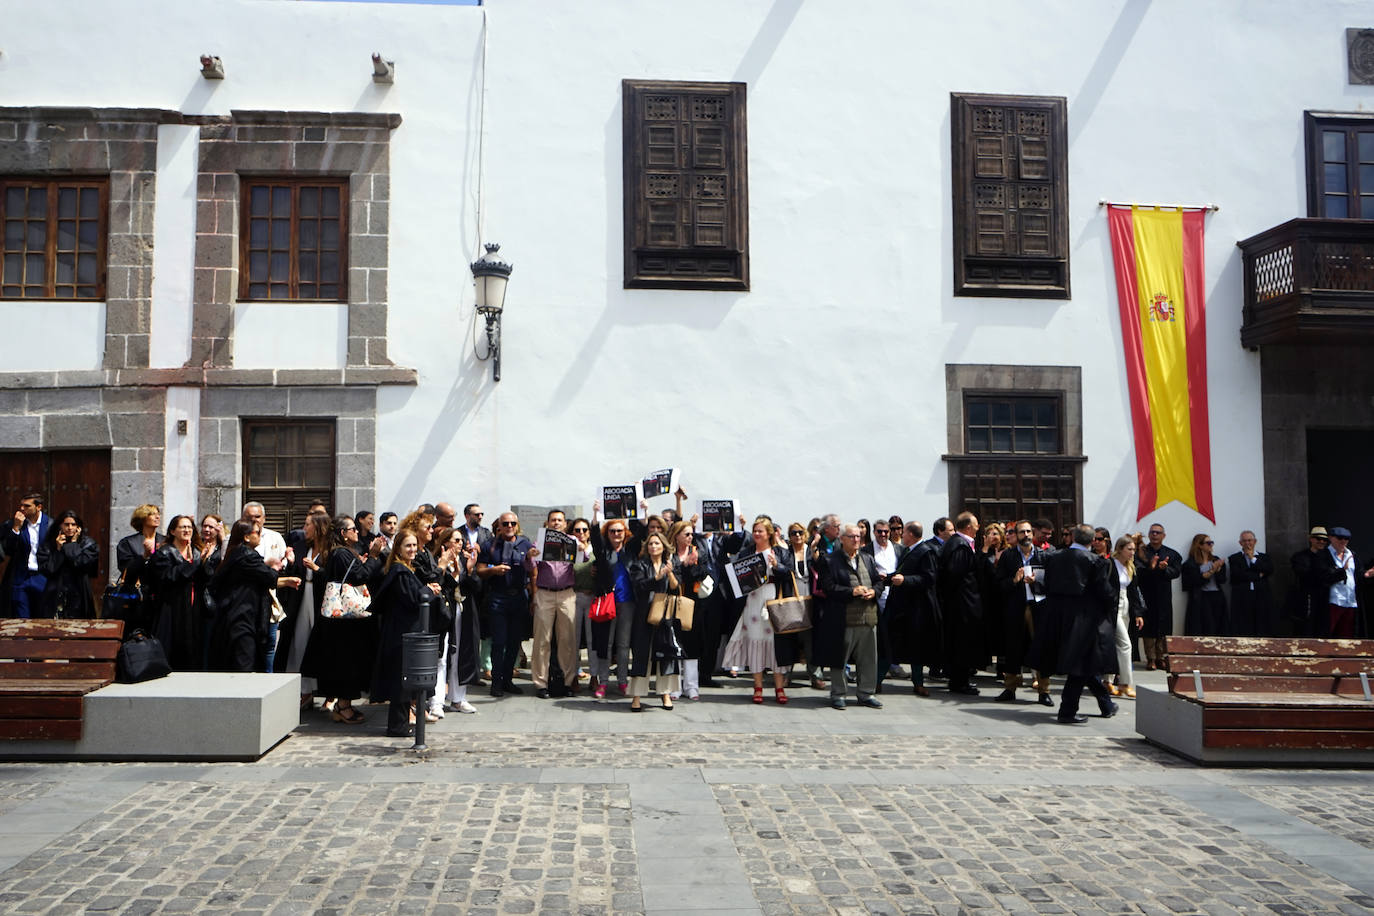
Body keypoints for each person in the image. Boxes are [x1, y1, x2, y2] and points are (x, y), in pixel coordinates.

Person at [299, 515, 387, 724]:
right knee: (346, 664)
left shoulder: (343, 553)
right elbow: (358, 577)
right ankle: (343, 705)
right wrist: (373, 557)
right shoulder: (340, 554)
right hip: (343, 623)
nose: (357, 531)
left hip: (346, 622)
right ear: (343, 534)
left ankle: (343, 704)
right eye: (352, 529)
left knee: (349, 664)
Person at [1035, 524, 1117, 724]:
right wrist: (1111, 603)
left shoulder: (1054, 557)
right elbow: (1104, 592)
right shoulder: (1096, 562)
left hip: (1057, 618)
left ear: (1072, 537)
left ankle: (1106, 703)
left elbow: (1044, 584)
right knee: (1081, 665)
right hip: (1084, 620)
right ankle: (1067, 711)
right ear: (1092, 541)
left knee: (1083, 663)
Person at [209, 520, 300, 672]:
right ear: (246, 537)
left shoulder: (236, 552)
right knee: (244, 664)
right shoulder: (246, 555)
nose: (260, 536)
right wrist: (273, 568)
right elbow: (269, 576)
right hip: (242, 616)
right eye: (257, 533)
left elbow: (264, 577)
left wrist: (284, 579)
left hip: (235, 615)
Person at [721, 519, 792, 705]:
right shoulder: (747, 552)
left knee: (775, 644)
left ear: (769, 533)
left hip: (772, 599)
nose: (757, 534)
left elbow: (788, 573)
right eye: (755, 531)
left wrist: (777, 565)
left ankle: (779, 687)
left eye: (760, 531)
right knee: (755, 641)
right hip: (752, 599)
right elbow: (737, 575)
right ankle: (758, 686)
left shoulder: (781, 552)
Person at [368, 531, 430, 737]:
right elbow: (413, 600)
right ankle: (398, 726)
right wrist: (429, 591)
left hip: (403, 631)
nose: (412, 550)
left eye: (414, 545)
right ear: (398, 549)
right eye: (407, 546)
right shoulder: (400, 572)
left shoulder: (404, 569)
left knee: (403, 679)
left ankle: (401, 724)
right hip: (400, 633)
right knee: (400, 680)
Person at [815, 523, 882, 710]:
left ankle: (866, 693)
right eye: (852, 537)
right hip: (843, 619)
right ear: (842, 539)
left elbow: (878, 582)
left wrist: (874, 592)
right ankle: (838, 694)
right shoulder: (830, 561)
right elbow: (827, 587)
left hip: (868, 618)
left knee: (869, 660)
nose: (856, 540)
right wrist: (851, 592)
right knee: (839, 659)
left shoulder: (867, 558)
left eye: (858, 537)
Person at [992, 520, 1050, 705]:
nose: (1025, 535)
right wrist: (1014, 580)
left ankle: (1044, 690)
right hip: (1016, 608)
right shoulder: (1008, 557)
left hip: (1037, 607)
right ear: (1016, 535)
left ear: (1032, 534)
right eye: (1021, 532)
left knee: (1041, 648)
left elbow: (1052, 582)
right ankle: (1010, 687)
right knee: (1013, 647)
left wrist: (1037, 582)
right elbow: (998, 585)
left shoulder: (1043, 555)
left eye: (1028, 532)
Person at [476, 512, 533, 697]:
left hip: (519, 597)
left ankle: (508, 680)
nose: (509, 526)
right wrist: (494, 570)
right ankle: (497, 681)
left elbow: (533, 571)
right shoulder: (490, 545)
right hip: (498, 597)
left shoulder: (525, 543)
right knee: (498, 642)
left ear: (517, 525)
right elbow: (480, 570)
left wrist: (531, 560)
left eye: (512, 523)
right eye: (505, 523)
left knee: (514, 641)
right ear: (499, 526)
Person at [524, 509, 579, 699]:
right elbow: (530, 568)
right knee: (542, 640)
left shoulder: (573, 542)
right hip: (545, 593)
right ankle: (541, 683)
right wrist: (530, 556)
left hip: (566, 593)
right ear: (547, 523)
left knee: (567, 640)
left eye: (560, 520)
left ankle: (567, 682)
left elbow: (584, 560)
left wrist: (580, 550)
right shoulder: (538, 543)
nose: (556, 523)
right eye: (553, 520)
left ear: (565, 524)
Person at [627, 531, 684, 711]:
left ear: (664, 546)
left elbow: (676, 588)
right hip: (645, 613)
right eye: (651, 544)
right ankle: (636, 696)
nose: (653, 547)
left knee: (666, 652)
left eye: (657, 544)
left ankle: (665, 694)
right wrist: (657, 577)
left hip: (665, 612)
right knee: (642, 653)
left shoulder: (672, 563)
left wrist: (670, 574)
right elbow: (639, 586)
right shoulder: (639, 564)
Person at [280, 511, 332, 706]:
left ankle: (328, 692)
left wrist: (317, 569)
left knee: (322, 644)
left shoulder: (331, 550)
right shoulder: (303, 547)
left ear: (318, 527)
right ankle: (304, 690)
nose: (304, 528)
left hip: (321, 600)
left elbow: (334, 576)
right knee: (300, 640)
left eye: (308, 524)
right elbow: (296, 571)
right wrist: (292, 564)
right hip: (302, 597)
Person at [936, 512, 988, 696]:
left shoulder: (961, 543)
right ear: (968, 527)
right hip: (961, 604)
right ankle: (959, 681)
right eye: (975, 524)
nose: (978, 528)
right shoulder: (959, 545)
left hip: (964, 602)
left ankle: (961, 679)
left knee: (965, 641)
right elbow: (954, 575)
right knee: (962, 642)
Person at [146, 515, 206, 670]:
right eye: (182, 527)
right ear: (173, 531)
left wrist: (204, 562)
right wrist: (191, 564)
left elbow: (206, 578)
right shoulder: (164, 553)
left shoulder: (196, 551)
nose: (187, 530)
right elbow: (168, 577)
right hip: (172, 607)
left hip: (194, 606)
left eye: (189, 527)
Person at [885, 520, 937, 697]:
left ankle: (918, 682)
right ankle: (877, 681)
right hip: (902, 606)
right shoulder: (908, 550)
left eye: (904, 532)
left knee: (916, 647)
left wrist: (906, 581)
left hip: (917, 609)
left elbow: (928, 579)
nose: (900, 535)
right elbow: (902, 572)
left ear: (911, 535)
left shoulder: (926, 552)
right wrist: (886, 578)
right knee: (890, 644)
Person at [434, 525, 481, 714]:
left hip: (463, 611)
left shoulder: (464, 560)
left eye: (462, 540)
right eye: (456, 540)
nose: (460, 544)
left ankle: (458, 698)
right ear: (445, 542)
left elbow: (476, 587)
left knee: (461, 654)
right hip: (446, 612)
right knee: (442, 657)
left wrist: (469, 572)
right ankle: (436, 701)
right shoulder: (440, 561)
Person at [241, 501, 292, 673]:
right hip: (246, 598)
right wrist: (267, 566)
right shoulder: (235, 539)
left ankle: (268, 679)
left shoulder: (275, 537)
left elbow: (282, 561)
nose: (254, 520)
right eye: (249, 517)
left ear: (264, 518)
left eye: (257, 517)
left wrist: (284, 563)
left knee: (270, 641)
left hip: (270, 597)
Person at [780, 522, 825, 690]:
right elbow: (781, 570)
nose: (797, 536)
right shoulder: (786, 553)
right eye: (793, 533)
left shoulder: (810, 550)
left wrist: (814, 549)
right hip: (791, 598)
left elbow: (822, 566)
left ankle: (815, 675)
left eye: (800, 532)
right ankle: (786, 674)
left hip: (810, 599)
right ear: (790, 536)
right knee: (790, 637)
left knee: (810, 639)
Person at [666, 519, 707, 699]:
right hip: (673, 602)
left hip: (692, 603)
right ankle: (675, 686)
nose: (690, 537)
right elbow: (673, 579)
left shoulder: (697, 552)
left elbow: (704, 574)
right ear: (676, 536)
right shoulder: (669, 555)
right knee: (674, 643)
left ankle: (691, 686)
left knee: (692, 643)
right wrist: (684, 566)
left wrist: (693, 566)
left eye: (691, 534)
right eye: (687, 534)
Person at [1104, 535, 1146, 700]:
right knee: (1125, 645)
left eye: (1134, 549)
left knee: (1116, 645)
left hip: (1125, 605)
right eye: (1129, 549)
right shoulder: (1109, 564)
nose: (1132, 552)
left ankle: (1107, 680)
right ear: (1119, 549)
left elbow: (1134, 591)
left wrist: (1138, 613)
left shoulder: (1131, 566)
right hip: (1112, 607)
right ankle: (1125, 683)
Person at [36, 509, 97, 619]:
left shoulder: (87, 544)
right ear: (60, 526)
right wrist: (58, 550)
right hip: (55, 593)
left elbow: (81, 563)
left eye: (73, 525)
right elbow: (48, 569)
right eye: (66, 524)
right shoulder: (50, 545)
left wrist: (72, 545)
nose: (70, 528)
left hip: (79, 592)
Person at [1136, 522, 1182, 670]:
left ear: (1164, 535)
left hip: (1163, 595)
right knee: (1148, 627)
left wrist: (1164, 569)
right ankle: (1150, 659)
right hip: (1146, 594)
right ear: (1149, 535)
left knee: (1163, 626)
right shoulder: (1141, 552)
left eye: (1158, 532)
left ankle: (1161, 657)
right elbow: (1138, 571)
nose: (1155, 535)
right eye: (1152, 532)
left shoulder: (1172, 554)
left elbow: (1175, 572)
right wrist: (1152, 567)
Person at [114, 504, 164, 629]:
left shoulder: (165, 541)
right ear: (142, 518)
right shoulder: (128, 543)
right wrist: (144, 557)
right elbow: (126, 569)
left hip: (161, 597)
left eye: (158, 513)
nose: (157, 516)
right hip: (136, 599)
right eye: (152, 514)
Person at [2, 493, 51, 619]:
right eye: (21, 505)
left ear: (38, 507)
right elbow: (9, 549)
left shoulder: (50, 525)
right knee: (21, 618)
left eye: (27, 506)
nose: (22, 509)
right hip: (22, 577)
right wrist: (16, 528)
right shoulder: (15, 523)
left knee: (42, 618)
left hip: (42, 576)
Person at [1323, 527, 1371, 637]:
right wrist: (1341, 571)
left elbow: (1358, 574)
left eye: (1346, 539)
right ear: (1331, 538)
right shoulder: (1324, 555)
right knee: (1327, 631)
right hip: (1332, 600)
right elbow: (1322, 576)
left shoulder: (1352, 555)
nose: (1343, 541)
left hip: (1350, 600)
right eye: (1340, 538)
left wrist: (1366, 574)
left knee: (1347, 634)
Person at [1228, 530, 1276, 637]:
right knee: (1244, 623)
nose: (1247, 543)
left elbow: (1269, 569)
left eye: (1249, 540)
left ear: (1255, 541)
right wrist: (1258, 575)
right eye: (1244, 541)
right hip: (1242, 596)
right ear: (1240, 543)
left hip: (1261, 595)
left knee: (1262, 621)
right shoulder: (1234, 558)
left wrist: (1252, 559)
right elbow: (1238, 575)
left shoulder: (1264, 557)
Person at [1182, 534, 1228, 635]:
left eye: (1212, 543)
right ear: (1199, 545)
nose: (1211, 545)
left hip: (1217, 595)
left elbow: (1222, 580)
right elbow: (1193, 581)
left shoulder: (1216, 560)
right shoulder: (1191, 563)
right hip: (1201, 597)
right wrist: (1212, 571)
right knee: (1206, 626)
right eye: (1208, 543)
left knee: (1219, 625)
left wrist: (1219, 570)